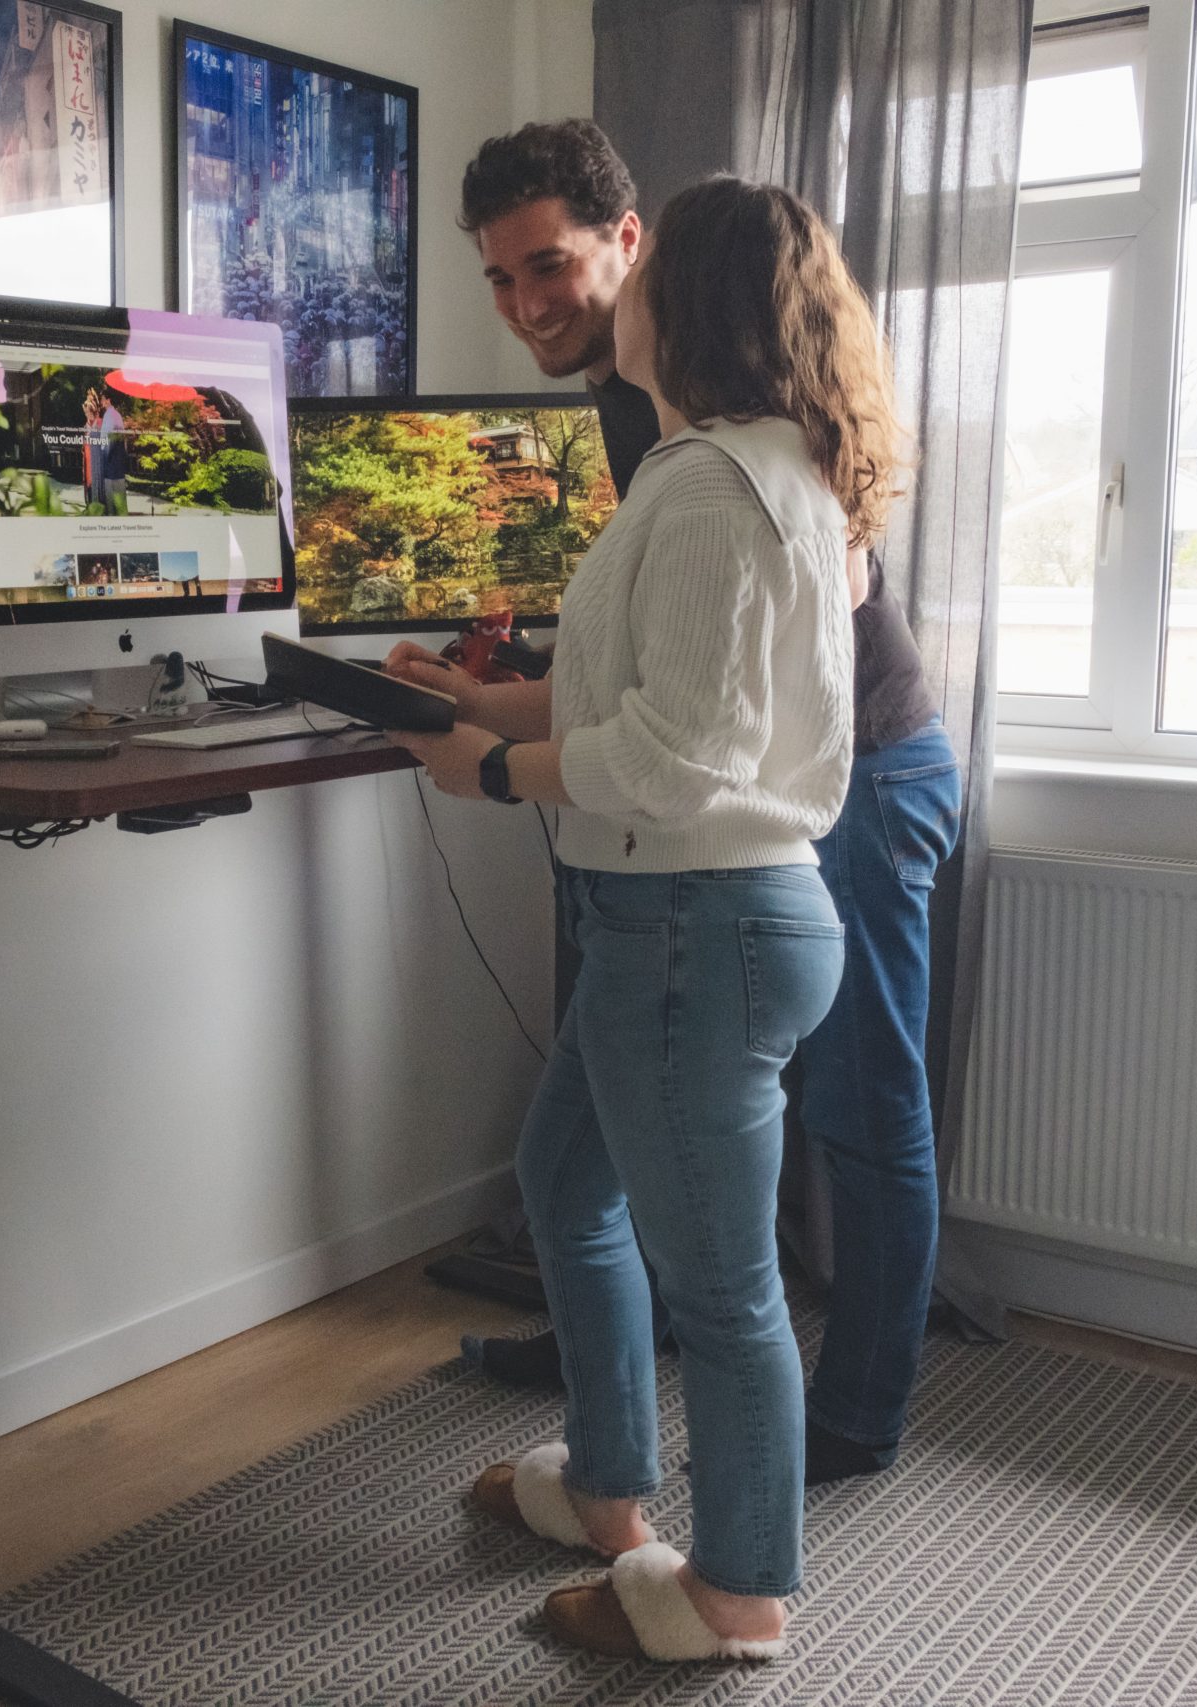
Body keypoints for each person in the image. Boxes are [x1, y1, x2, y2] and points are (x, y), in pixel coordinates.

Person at [384, 175, 901, 1661]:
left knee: (724, 1290)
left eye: (648, 264)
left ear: (697, 299)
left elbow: (676, 759)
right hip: (694, 929)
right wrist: (478, 699)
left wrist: (488, 770)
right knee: (566, 1182)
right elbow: (650, 696)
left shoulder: (706, 487)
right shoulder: (762, 472)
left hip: (696, 928)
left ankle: (737, 1592)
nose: (625, 284)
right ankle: (611, 1489)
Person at [452, 119, 960, 1495]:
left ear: (637, 248)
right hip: (708, 783)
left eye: (547, 267)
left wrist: (511, 755)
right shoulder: (632, 402)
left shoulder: (724, 397)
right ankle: (614, 1354)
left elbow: (734, 676)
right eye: (500, 281)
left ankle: (847, 1417)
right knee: (613, 1114)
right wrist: (506, 689)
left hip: (837, 768)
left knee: (858, 1104)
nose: (526, 306)